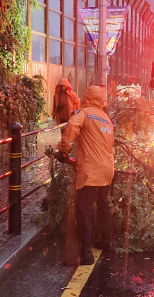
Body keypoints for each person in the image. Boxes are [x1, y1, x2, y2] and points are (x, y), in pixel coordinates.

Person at [55, 86, 115, 265]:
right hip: (107, 170)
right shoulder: (106, 119)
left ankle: (86, 254)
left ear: (87, 97)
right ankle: (107, 242)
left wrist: (63, 148)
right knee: (103, 207)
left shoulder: (84, 113)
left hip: (91, 171)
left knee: (84, 211)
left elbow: (73, 125)